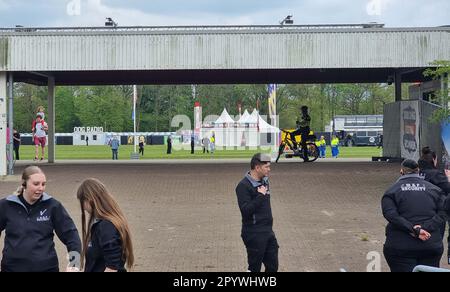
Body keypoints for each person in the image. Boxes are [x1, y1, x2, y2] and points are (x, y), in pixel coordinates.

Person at [0, 166, 81, 272]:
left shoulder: (53, 206)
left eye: (43, 184)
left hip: (46, 268)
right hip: (12, 268)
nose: (41, 188)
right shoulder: (6, 205)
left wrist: (74, 263)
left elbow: (71, 235)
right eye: (36, 184)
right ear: (24, 183)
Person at [382, 159, 446, 272]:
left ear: (401, 171)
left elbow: (391, 215)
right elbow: (443, 213)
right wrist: (423, 228)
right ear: (418, 171)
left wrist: (414, 230)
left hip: (400, 247)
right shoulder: (436, 190)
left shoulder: (391, 191)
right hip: (430, 245)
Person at [76, 178, 134, 272]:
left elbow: (112, 267)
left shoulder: (106, 227)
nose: (82, 207)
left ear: (89, 200)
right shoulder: (103, 224)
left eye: (82, 202)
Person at [235, 153, 279, 272]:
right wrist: (260, 196)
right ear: (257, 167)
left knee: (273, 266)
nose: (269, 170)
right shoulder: (243, 186)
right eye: (267, 167)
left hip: (268, 231)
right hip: (253, 233)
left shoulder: (264, 181)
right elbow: (246, 210)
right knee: (254, 268)